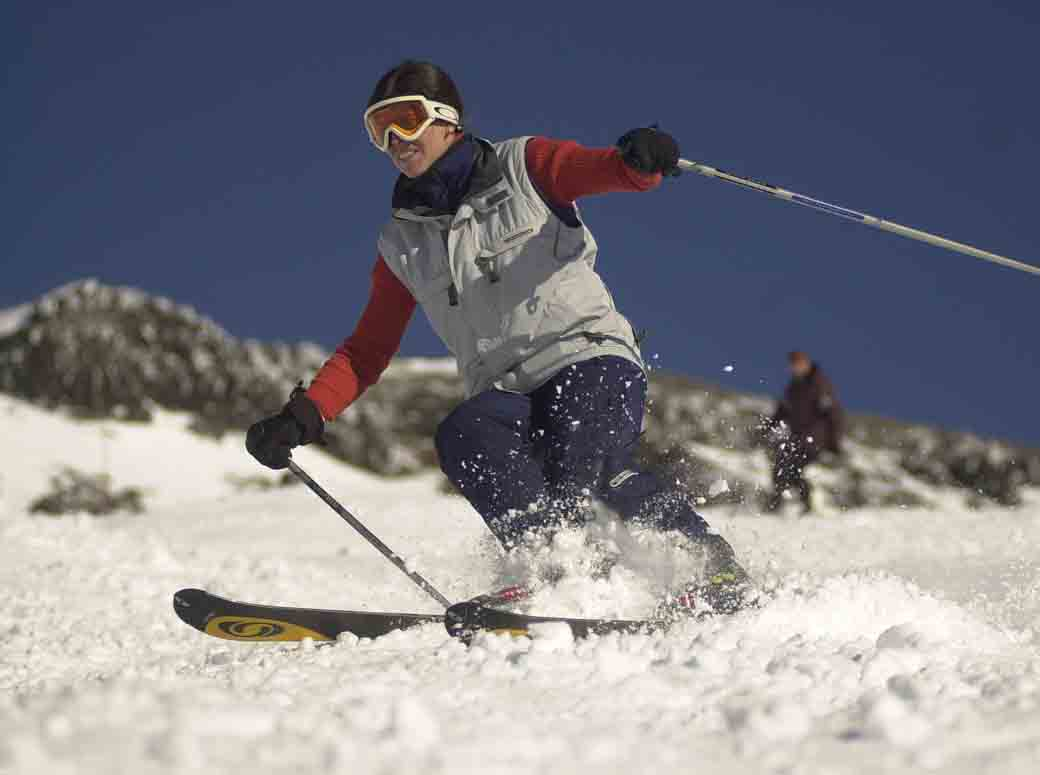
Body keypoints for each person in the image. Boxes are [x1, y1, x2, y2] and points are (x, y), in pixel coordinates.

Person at [244, 60, 753, 613]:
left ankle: (708, 565)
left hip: (586, 356)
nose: (394, 140)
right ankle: (560, 571)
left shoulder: (524, 166)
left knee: (588, 461)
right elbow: (367, 350)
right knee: (465, 433)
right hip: (506, 390)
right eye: (378, 129)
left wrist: (639, 161)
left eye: (406, 120)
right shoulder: (402, 243)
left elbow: (603, 169)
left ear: (446, 120)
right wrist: (303, 415)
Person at [765, 350, 845, 513]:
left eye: (799, 364)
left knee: (792, 467)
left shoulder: (819, 384)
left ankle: (806, 504)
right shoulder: (793, 388)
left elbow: (833, 413)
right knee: (780, 467)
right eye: (793, 365)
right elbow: (782, 411)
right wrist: (768, 427)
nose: (796, 368)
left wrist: (835, 442)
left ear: (806, 363)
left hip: (814, 439)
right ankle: (777, 504)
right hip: (797, 438)